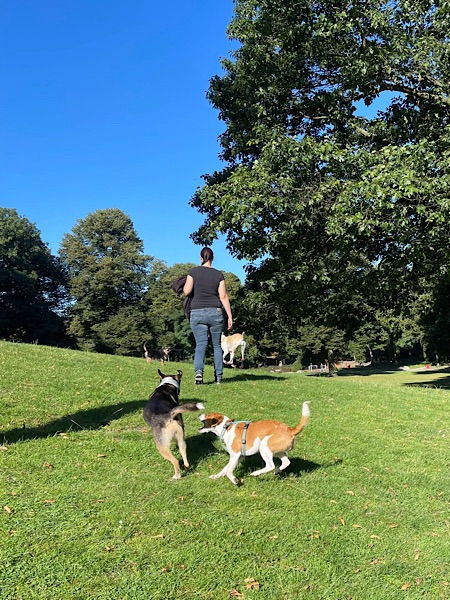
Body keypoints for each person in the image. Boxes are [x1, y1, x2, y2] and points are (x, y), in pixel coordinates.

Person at [183, 247, 233, 385]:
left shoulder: (193, 272)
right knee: (217, 346)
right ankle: (218, 377)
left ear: (200, 258)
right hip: (215, 312)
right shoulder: (219, 275)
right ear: (213, 258)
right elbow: (223, 296)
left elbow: (186, 291)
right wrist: (229, 316)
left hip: (197, 312)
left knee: (200, 345)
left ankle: (199, 374)